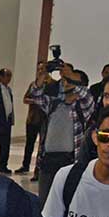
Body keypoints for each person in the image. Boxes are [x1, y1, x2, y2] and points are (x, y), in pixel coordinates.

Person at [25, 59, 96, 206]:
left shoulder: (83, 107)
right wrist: (42, 75)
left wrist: (71, 77)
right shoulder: (53, 103)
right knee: (45, 202)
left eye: (69, 80)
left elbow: (86, 95)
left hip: (69, 160)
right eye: (63, 80)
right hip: (48, 160)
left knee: (66, 202)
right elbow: (35, 95)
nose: (65, 82)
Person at [17, 63, 49, 177]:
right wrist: (35, 101)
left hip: (44, 119)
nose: (40, 71)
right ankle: (25, 165)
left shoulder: (51, 84)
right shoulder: (33, 85)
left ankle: (38, 170)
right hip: (32, 119)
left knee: (42, 146)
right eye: (38, 69)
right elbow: (25, 99)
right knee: (29, 144)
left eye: (42, 69)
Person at [0, 68, 15, 174]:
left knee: (5, 144)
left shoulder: (9, 90)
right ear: (0, 77)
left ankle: (3, 165)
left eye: (10, 76)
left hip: (7, 120)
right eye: (7, 76)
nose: (9, 78)